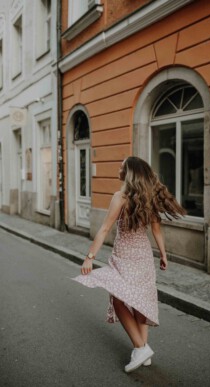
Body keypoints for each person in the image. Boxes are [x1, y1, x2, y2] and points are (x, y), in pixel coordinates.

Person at [72, 156, 186, 373]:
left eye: (121, 166)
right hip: (143, 257)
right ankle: (143, 349)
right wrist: (163, 255)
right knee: (140, 302)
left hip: (125, 257)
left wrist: (89, 257)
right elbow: (156, 230)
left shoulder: (120, 197)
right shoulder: (148, 196)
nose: (118, 168)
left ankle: (140, 348)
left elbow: (105, 228)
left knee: (118, 300)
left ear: (129, 172)